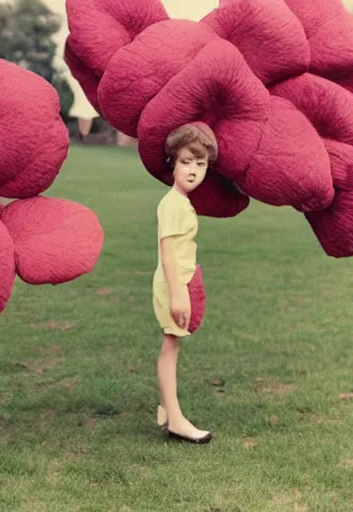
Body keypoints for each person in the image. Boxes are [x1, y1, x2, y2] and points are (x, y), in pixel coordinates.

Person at [153, 122, 216, 444]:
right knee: (170, 346)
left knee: (172, 345)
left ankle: (166, 409)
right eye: (186, 162)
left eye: (200, 163)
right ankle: (176, 420)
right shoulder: (173, 204)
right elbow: (168, 253)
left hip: (181, 279)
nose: (193, 171)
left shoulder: (181, 202)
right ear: (172, 164)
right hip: (173, 283)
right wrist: (179, 296)